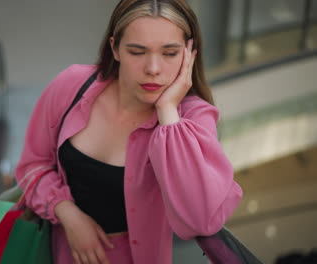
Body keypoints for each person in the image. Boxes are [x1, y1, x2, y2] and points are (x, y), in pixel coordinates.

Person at [15, 0, 243, 263]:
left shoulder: (194, 117)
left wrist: (168, 112)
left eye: (170, 53)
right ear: (115, 48)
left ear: (189, 55)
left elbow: (201, 219)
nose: (153, 69)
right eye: (137, 52)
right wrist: (68, 214)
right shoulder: (72, 86)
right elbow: (33, 165)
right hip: (64, 250)